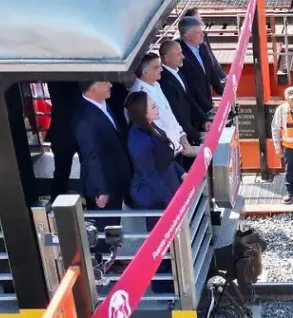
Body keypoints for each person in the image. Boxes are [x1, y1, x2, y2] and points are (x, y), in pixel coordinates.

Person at [72, 80, 132, 245]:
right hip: (103, 186)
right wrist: (102, 189)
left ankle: (110, 259)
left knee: (113, 225)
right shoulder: (85, 119)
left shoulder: (102, 104)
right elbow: (91, 156)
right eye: (105, 82)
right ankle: (102, 264)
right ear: (92, 87)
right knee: (103, 229)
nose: (110, 85)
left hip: (115, 179)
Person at [125, 91, 187, 231]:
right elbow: (149, 175)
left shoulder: (152, 126)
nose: (157, 109)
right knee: (162, 232)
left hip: (168, 185)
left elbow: (166, 158)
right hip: (154, 196)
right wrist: (171, 201)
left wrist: (182, 173)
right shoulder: (139, 139)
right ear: (142, 112)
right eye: (153, 107)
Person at [128, 52, 199, 170]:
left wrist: (183, 139)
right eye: (156, 67)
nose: (161, 69)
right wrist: (181, 147)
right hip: (166, 157)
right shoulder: (139, 95)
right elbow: (155, 128)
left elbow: (170, 117)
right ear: (144, 72)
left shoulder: (156, 85)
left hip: (178, 149)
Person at [158, 40, 211, 144]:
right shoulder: (165, 82)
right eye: (178, 54)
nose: (183, 56)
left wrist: (204, 119)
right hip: (185, 137)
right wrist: (196, 134)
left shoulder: (178, 73)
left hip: (192, 128)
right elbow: (177, 114)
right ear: (167, 58)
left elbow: (190, 99)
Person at [178, 16, 225, 116]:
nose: (203, 35)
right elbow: (191, 87)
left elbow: (210, 70)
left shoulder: (202, 46)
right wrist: (208, 108)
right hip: (195, 109)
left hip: (207, 100)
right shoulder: (180, 55)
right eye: (198, 33)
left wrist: (222, 92)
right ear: (186, 35)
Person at [45, 81, 82, 200]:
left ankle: (56, 202)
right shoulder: (79, 83)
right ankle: (91, 204)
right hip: (79, 130)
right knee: (88, 170)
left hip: (61, 132)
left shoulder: (54, 81)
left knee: (61, 172)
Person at [186, 7, 226, 81]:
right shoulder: (180, 43)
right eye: (197, 20)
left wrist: (222, 75)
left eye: (200, 20)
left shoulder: (203, 35)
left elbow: (210, 56)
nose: (201, 22)